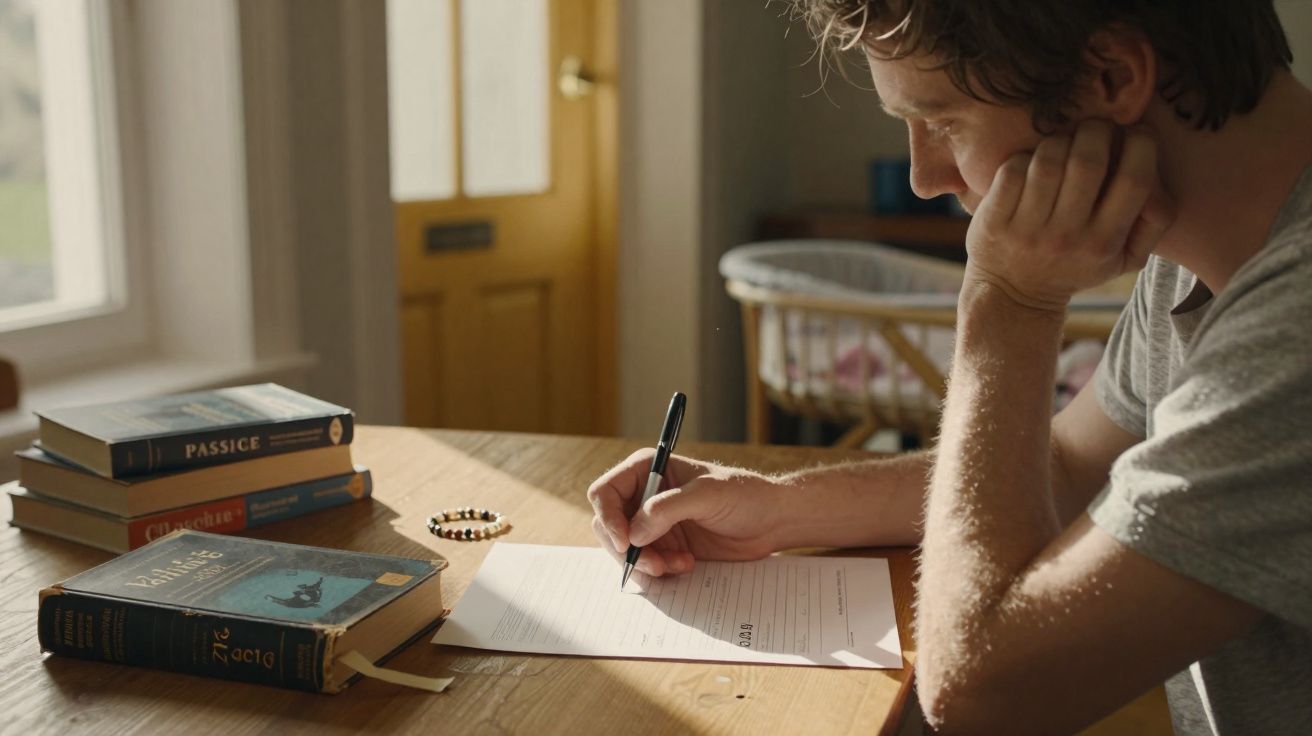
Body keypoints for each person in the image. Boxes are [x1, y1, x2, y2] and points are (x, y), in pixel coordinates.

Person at [587, 1, 1312, 733]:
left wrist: (1008, 304)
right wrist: (776, 509)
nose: (924, 177)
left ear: (1112, 76)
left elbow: (983, 696)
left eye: (942, 123)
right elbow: (1067, 465)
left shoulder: (1295, 323)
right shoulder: (1205, 264)